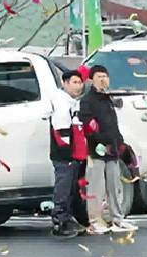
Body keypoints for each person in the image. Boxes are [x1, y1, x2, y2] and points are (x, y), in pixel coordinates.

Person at [82, 65, 133, 235]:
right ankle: (95, 220)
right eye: (99, 77)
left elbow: (113, 125)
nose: (103, 80)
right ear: (91, 80)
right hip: (96, 149)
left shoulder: (108, 99)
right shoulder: (87, 100)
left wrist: (119, 142)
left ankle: (117, 219)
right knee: (96, 186)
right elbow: (88, 127)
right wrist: (101, 141)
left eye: (105, 76)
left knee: (114, 184)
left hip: (113, 149)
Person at [49, 66, 91, 237]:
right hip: (64, 154)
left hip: (75, 154)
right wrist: (67, 154)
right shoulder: (61, 103)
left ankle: (72, 219)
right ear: (64, 83)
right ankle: (60, 221)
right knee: (63, 188)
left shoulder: (74, 102)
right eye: (74, 82)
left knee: (73, 189)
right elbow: (61, 131)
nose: (78, 86)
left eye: (80, 82)